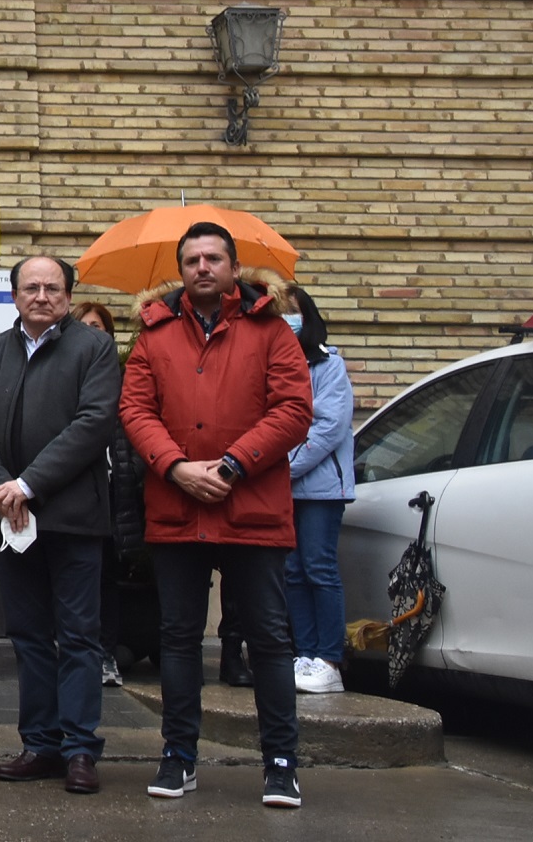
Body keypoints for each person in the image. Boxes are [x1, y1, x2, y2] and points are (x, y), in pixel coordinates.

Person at [122, 222, 312, 809]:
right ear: (180, 271)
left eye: (214, 258)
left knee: (270, 640)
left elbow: (294, 409)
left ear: (234, 267)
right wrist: (176, 467)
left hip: (251, 508)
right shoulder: (152, 335)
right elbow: (135, 408)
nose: (203, 267)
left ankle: (281, 763)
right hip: (178, 508)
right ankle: (179, 756)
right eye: (192, 260)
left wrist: (232, 465)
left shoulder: (272, 330)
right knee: (178, 640)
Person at [0, 255, 122, 796]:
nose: (42, 296)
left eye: (53, 288)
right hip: (11, 519)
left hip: (72, 517)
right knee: (29, 637)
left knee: (78, 636)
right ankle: (40, 745)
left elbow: (94, 423)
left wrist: (27, 485)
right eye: (31, 287)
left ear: (69, 297)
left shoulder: (94, 348)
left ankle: (80, 750)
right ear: (14, 296)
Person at [278, 284, 356, 696]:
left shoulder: (328, 365)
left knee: (319, 567)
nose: (286, 321)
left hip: (321, 489)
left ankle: (329, 658)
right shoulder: (271, 363)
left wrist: (284, 467)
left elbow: (327, 427)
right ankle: (305, 653)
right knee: (292, 572)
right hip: (283, 488)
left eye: (292, 312)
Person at [72, 301, 146, 689]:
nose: (92, 332)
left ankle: (106, 653)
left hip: (116, 493)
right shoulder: (63, 373)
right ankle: (76, 652)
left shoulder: (125, 376)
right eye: (84, 325)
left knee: (107, 579)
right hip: (76, 492)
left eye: (98, 326)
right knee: (76, 579)